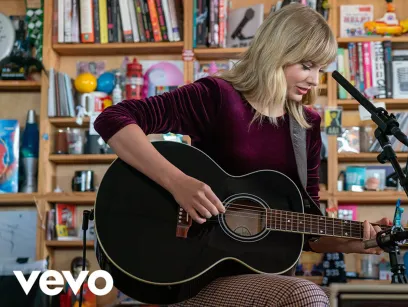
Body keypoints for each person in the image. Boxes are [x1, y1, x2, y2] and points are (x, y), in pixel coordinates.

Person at [93, 3, 390, 306]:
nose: (315, 80)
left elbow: (308, 226)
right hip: (194, 274)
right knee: (306, 295)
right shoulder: (217, 96)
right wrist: (178, 183)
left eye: (320, 70)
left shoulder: (307, 125)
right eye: (307, 65)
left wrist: (351, 242)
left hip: (266, 278)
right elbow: (113, 119)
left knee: (351, 299)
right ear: (277, 52)